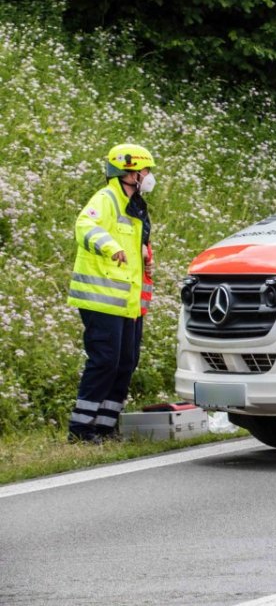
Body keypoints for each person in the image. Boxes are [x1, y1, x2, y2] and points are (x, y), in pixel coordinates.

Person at [66, 144, 156, 443]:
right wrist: (111, 247)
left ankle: (104, 428)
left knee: (126, 362)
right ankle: (80, 430)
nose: (148, 176)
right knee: (104, 361)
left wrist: (144, 253)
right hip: (100, 298)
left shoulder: (136, 205)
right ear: (128, 172)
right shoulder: (106, 199)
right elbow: (84, 225)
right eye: (145, 171)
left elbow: (134, 243)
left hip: (127, 302)